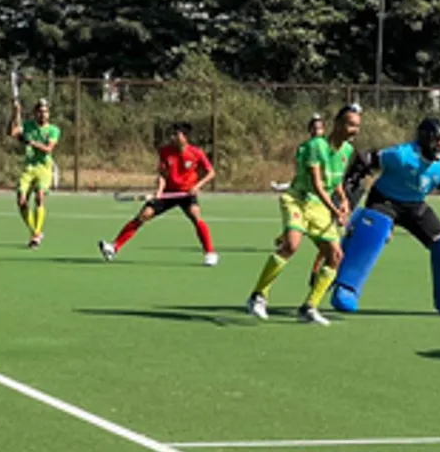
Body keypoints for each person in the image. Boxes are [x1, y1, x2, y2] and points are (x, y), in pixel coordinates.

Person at [331, 117, 440, 317]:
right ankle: (346, 287)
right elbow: (366, 158)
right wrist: (350, 188)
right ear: (426, 138)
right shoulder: (401, 155)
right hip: (385, 200)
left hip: (415, 206)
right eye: (437, 139)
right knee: (373, 232)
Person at [246, 105, 363, 325]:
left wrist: (344, 200)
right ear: (337, 124)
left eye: (357, 126)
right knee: (290, 245)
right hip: (299, 200)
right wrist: (335, 210)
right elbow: (317, 184)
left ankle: (309, 307)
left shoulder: (347, 151)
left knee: (335, 256)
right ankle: (258, 296)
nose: (354, 130)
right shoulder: (315, 146)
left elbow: (335, 182)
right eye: (349, 124)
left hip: (320, 207)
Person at [99, 122, 218, 265]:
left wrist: (197, 186)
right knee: (144, 215)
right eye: (172, 134)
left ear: (185, 137)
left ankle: (210, 253)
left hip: (187, 193)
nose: (172, 137)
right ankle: (114, 247)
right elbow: (162, 174)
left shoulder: (196, 153)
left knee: (195, 216)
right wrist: (159, 191)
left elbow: (211, 172)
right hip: (168, 192)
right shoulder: (165, 151)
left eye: (176, 134)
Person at [8, 98, 61, 248]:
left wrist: (31, 142)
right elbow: (12, 132)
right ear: (35, 113)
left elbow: (48, 149)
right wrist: (15, 113)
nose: (43, 115)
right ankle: (35, 232)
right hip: (29, 168)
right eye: (40, 112)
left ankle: (36, 233)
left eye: (45, 112)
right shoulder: (28, 126)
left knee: (39, 197)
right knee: (21, 200)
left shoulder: (53, 130)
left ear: (49, 114)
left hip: (44, 168)